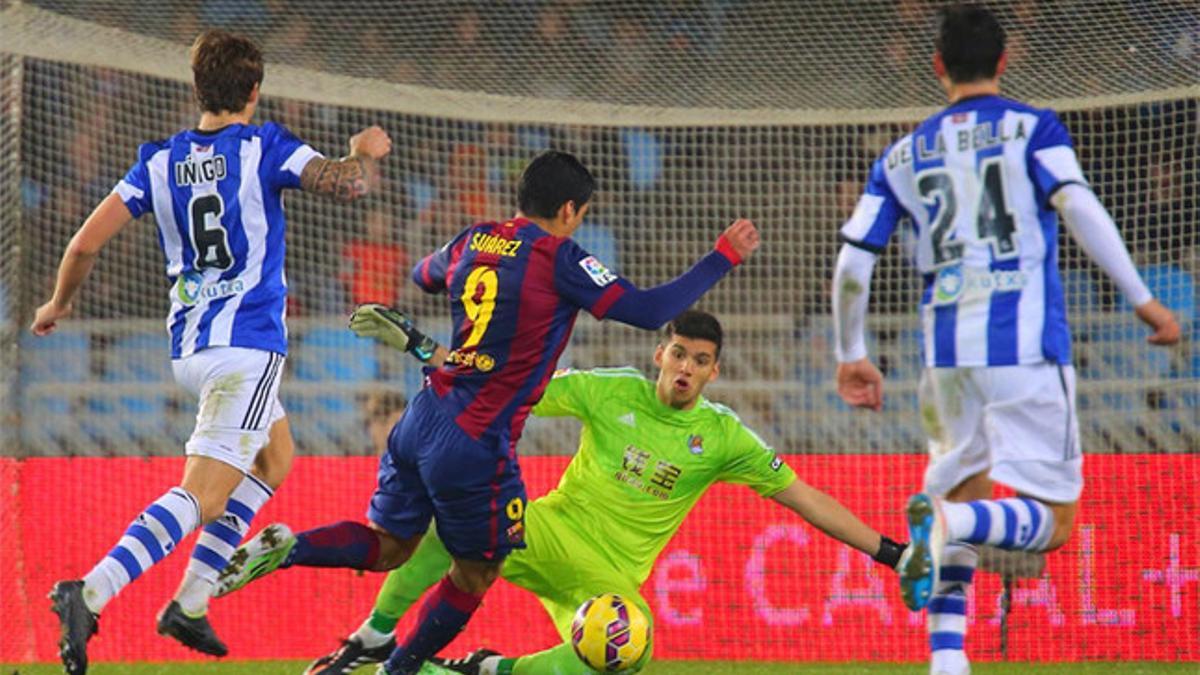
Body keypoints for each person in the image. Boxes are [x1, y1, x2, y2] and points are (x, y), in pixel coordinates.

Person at [213, 151, 760, 675]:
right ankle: (400, 669)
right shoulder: (558, 256)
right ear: (570, 211)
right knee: (477, 572)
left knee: (390, 546)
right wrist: (722, 257)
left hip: (423, 415)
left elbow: (424, 276)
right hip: (474, 438)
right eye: (581, 214)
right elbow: (649, 311)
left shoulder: (473, 238)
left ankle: (292, 546)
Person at [829, 6, 1181, 675]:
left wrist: (852, 351)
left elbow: (852, 261)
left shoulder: (901, 154)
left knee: (957, 490)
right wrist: (1142, 298)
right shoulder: (1033, 127)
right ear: (1005, 60)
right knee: (1055, 523)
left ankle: (947, 661)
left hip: (945, 360)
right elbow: (1076, 204)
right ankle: (953, 527)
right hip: (1024, 350)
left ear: (937, 67)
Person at [31, 29, 392, 674]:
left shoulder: (158, 161)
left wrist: (58, 305)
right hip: (246, 349)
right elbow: (347, 186)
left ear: (198, 89)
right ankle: (90, 591)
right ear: (253, 91)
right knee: (203, 494)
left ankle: (191, 602)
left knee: (276, 457)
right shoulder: (264, 145)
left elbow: (84, 244)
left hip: (191, 346)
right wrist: (362, 153)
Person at [296, 309, 910, 675]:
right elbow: (512, 383)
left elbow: (805, 498)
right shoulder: (610, 390)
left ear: (714, 371)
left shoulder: (724, 437)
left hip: (607, 579)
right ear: (659, 353)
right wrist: (426, 350)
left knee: (631, 649)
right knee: (444, 526)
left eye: (700, 360)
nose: (686, 368)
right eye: (678, 353)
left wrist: (891, 553)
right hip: (545, 532)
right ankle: (372, 638)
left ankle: (488, 669)